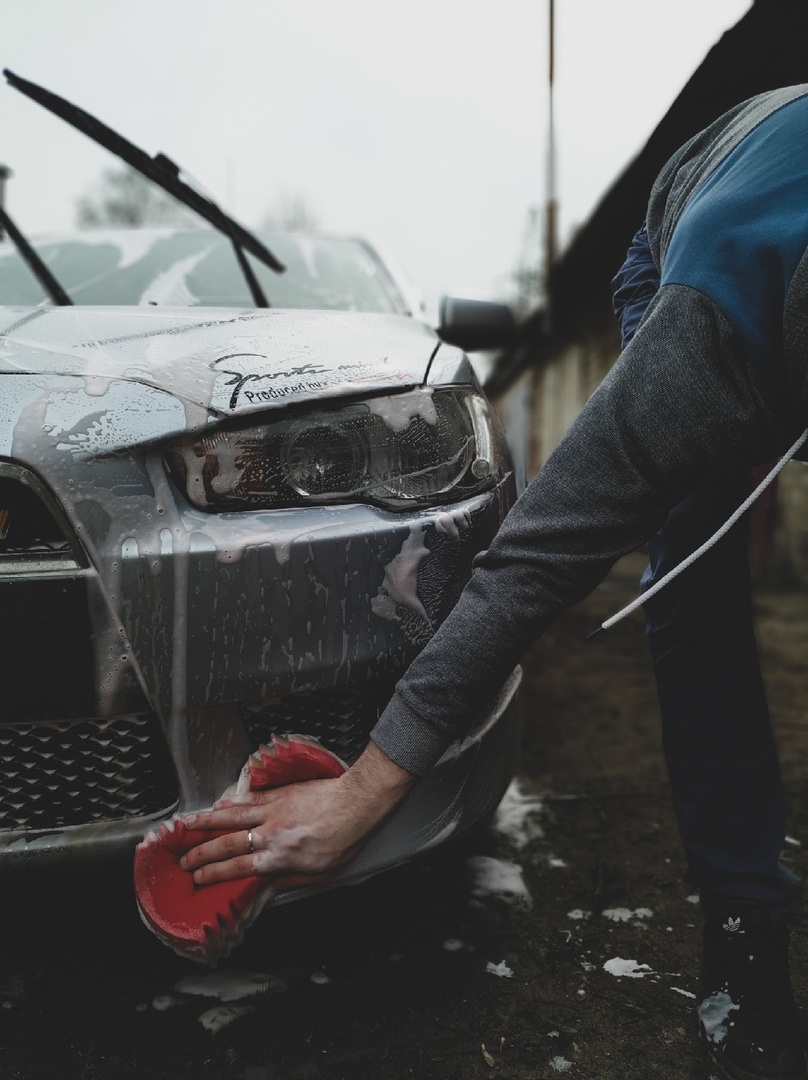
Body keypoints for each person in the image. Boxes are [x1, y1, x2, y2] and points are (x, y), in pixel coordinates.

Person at [181, 85, 808, 1080]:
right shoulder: (705, 346)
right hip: (699, 209)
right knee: (694, 575)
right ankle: (742, 921)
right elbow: (528, 565)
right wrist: (365, 789)